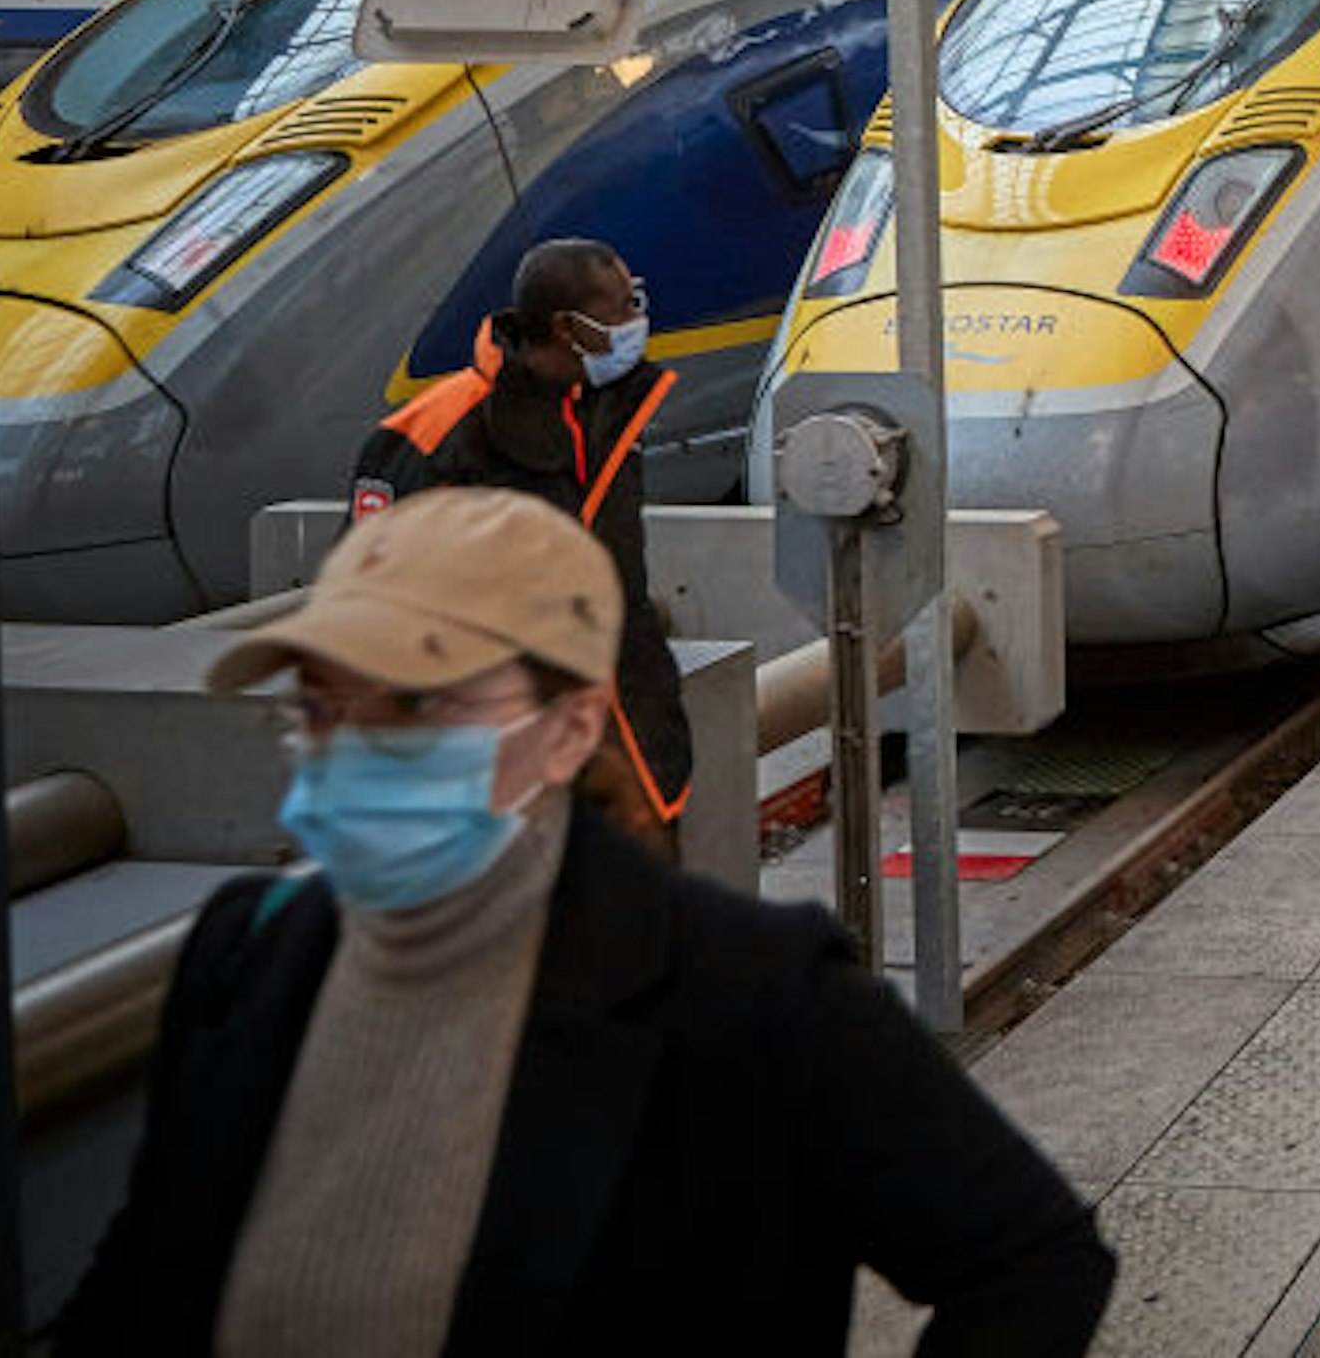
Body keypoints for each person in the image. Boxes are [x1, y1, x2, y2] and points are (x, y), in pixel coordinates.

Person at [59, 486, 1115, 1353]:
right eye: (322, 706)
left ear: (567, 731)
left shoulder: (747, 993)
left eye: (420, 706)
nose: (354, 747)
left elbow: (1031, 1260)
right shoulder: (250, 952)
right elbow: (140, 1278)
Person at [353, 237, 692, 856]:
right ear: (568, 328)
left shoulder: (610, 410)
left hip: (630, 746)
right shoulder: (433, 436)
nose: (636, 323)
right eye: (621, 309)